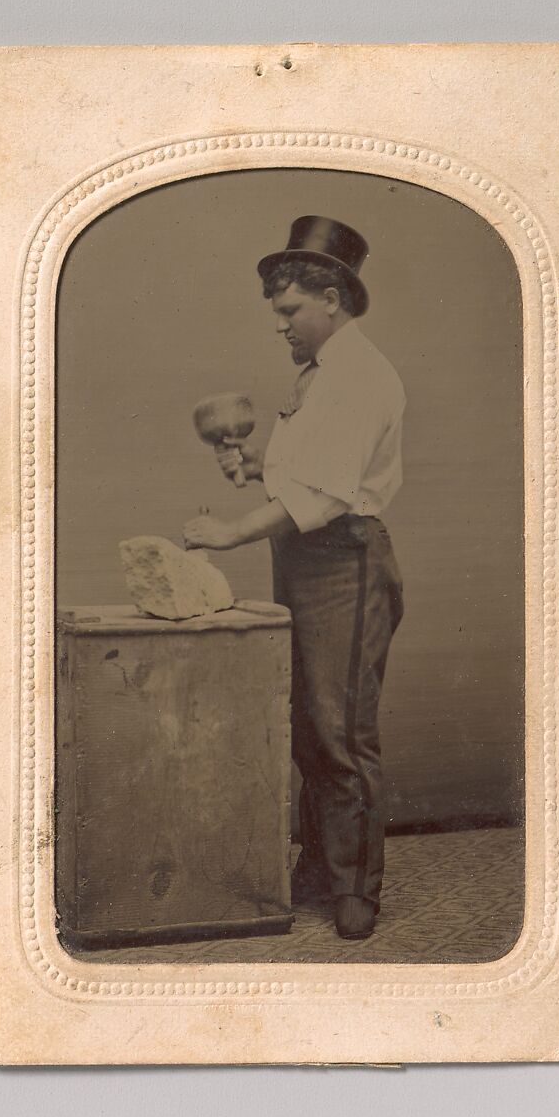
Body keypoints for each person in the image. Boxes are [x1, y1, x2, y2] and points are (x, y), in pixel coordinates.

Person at [183, 216, 405, 940]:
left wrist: (228, 532)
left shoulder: (361, 376)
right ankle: (320, 865)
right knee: (310, 725)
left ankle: (356, 889)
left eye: (289, 312)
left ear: (333, 298)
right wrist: (252, 470)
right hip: (309, 560)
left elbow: (324, 496)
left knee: (341, 730)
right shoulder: (318, 377)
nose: (280, 326)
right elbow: (296, 477)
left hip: (346, 562)